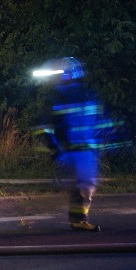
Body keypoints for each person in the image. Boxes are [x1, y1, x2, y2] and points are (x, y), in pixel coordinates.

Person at [32, 57, 105, 232]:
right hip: (79, 150)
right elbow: (45, 127)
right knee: (84, 185)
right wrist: (55, 149)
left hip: (75, 150)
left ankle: (77, 220)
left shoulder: (61, 97)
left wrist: (55, 149)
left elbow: (44, 127)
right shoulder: (78, 95)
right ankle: (79, 220)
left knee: (80, 186)